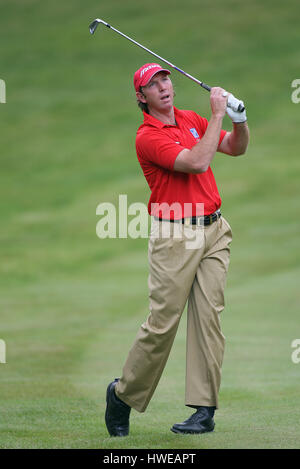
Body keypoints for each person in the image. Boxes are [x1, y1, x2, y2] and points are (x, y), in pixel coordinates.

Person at [104, 63, 249, 436]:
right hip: (175, 237)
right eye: (153, 84)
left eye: (165, 78)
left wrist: (238, 120)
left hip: (215, 229)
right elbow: (197, 162)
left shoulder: (190, 119)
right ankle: (122, 396)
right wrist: (217, 113)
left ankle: (204, 410)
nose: (164, 86)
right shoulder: (147, 136)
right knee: (162, 325)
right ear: (142, 97)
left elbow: (234, 148)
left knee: (209, 319)